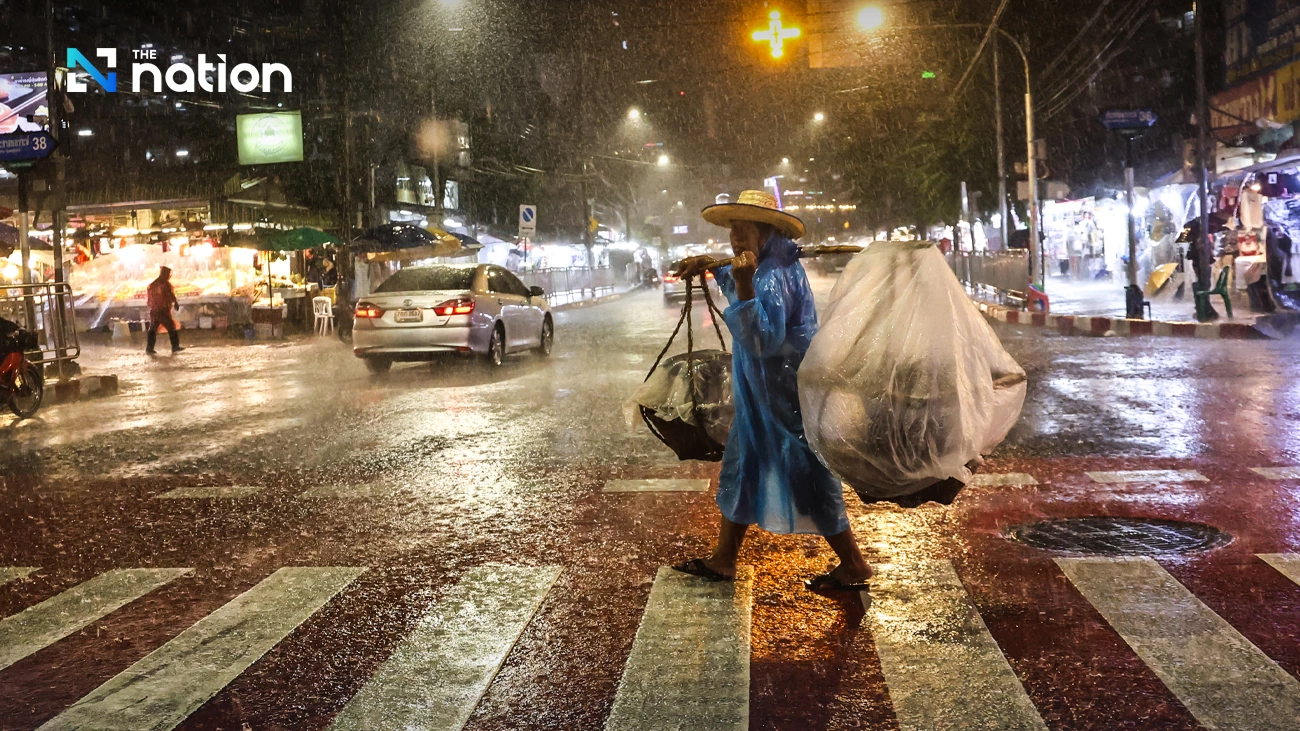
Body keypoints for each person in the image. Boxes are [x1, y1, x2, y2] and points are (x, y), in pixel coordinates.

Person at [671, 190, 872, 592]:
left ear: (764, 232)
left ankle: (853, 563)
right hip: (759, 395)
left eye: (743, 230)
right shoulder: (763, 264)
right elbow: (736, 279)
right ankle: (725, 558)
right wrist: (710, 265)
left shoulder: (773, 274)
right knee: (744, 465)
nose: (735, 238)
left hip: (781, 394)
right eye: (732, 230)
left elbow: (764, 339)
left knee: (805, 471)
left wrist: (744, 285)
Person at [145, 266, 183, 355]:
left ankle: (149, 348)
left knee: (153, 328)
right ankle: (175, 346)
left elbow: (150, 298)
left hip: (155, 310)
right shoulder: (164, 284)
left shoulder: (153, 284)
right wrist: (175, 302)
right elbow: (169, 294)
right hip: (162, 310)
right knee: (171, 326)